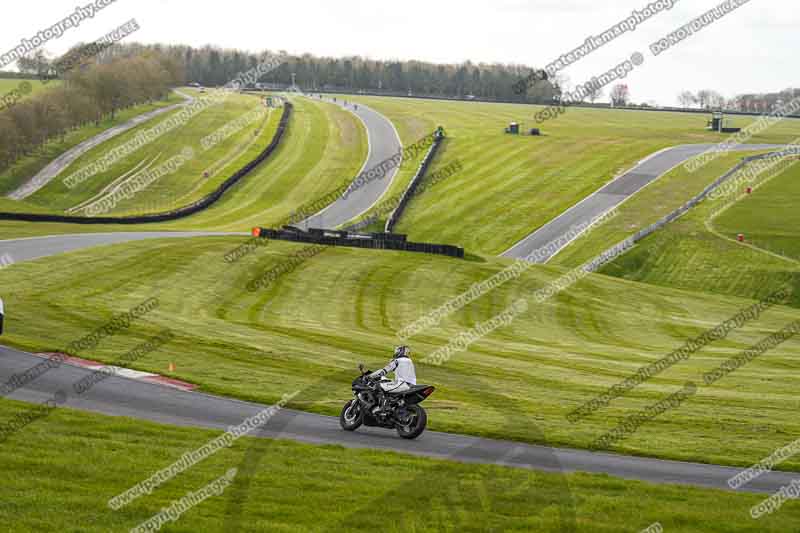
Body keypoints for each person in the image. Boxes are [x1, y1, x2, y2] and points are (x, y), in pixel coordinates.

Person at [369, 346, 416, 414]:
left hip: (402, 384)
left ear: (400, 352)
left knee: (378, 386)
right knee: (389, 386)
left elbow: (383, 371)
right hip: (411, 385)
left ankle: (383, 407)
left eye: (397, 351)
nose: (395, 353)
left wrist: (370, 376)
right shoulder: (410, 361)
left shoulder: (398, 361)